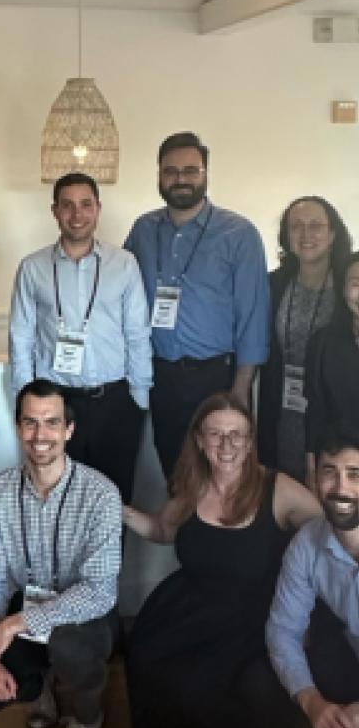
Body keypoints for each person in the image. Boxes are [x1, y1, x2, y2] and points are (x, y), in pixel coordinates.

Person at [123, 392, 321, 728]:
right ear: (199, 439)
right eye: (216, 435)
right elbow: (164, 530)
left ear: (250, 441)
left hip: (253, 614)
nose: (226, 445)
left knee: (215, 682)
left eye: (237, 435)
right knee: (147, 653)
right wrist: (121, 511)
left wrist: (308, 613)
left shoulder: (278, 489)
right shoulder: (193, 485)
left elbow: (325, 537)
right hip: (190, 604)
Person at [0, 379, 122, 728]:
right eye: (30, 423)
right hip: (27, 607)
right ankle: (40, 687)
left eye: (51, 423)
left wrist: (14, 626)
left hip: (85, 618)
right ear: (18, 428)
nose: (40, 436)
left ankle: (86, 718)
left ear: (69, 430)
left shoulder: (101, 494)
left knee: (69, 645)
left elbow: (99, 592)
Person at [124, 131, 270, 479]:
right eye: (171, 171)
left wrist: (240, 388)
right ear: (158, 175)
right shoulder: (143, 230)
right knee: (174, 473)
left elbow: (253, 315)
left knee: (221, 476)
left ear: (205, 173)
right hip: (159, 376)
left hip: (215, 376)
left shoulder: (238, 233)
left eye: (191, 170)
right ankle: (183, 536)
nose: (181, 179)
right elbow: (121, 295)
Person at [9, 171, 151, 503]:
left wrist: (138, 402)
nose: (77, 214)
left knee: (113, 500)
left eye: (86, 204)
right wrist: (24, 400)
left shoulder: (124, 264)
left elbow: (137, 333)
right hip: (54, 403)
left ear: (98, 209)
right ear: (55, 211)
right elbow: (21, 335)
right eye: (68, 205)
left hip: (114, 402)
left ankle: (110, 558)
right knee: (55, 497)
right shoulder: (33, 267)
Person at [267, 420, 359, 728]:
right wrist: (315, 707)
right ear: (314, 475)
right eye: (330, 472)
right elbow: (283, 632)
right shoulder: (307, 543)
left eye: (355, 474)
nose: (341, 488)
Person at [257, 197, 351, 483]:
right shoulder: (273, 284)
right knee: (283, 487)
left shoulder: (351, 284)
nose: (306, 234)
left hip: (336, 408)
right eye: (296, 226)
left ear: (333, 234)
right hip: (282, 408)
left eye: (316, 226)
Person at [305, 252, 359, 486]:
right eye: (356, 283)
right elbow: (315, 410)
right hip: (339, 470)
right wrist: (311, 469)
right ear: (343, 289)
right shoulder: (323, 342)